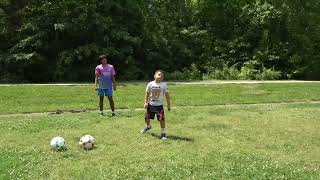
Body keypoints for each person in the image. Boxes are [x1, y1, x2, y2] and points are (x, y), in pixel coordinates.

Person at [141, 70, 171, 141]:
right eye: (159, 74)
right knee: (146, 117)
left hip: (159, 106)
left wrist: (168, 105)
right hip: (151, 105)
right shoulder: (150, 84)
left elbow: (167, 95)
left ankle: (163, 133)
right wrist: (145, 103)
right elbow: (147, 94)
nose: (161, 76)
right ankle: (148, 126)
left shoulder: (164, 85)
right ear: (154, 76)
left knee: (161, 119)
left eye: (162, 76)